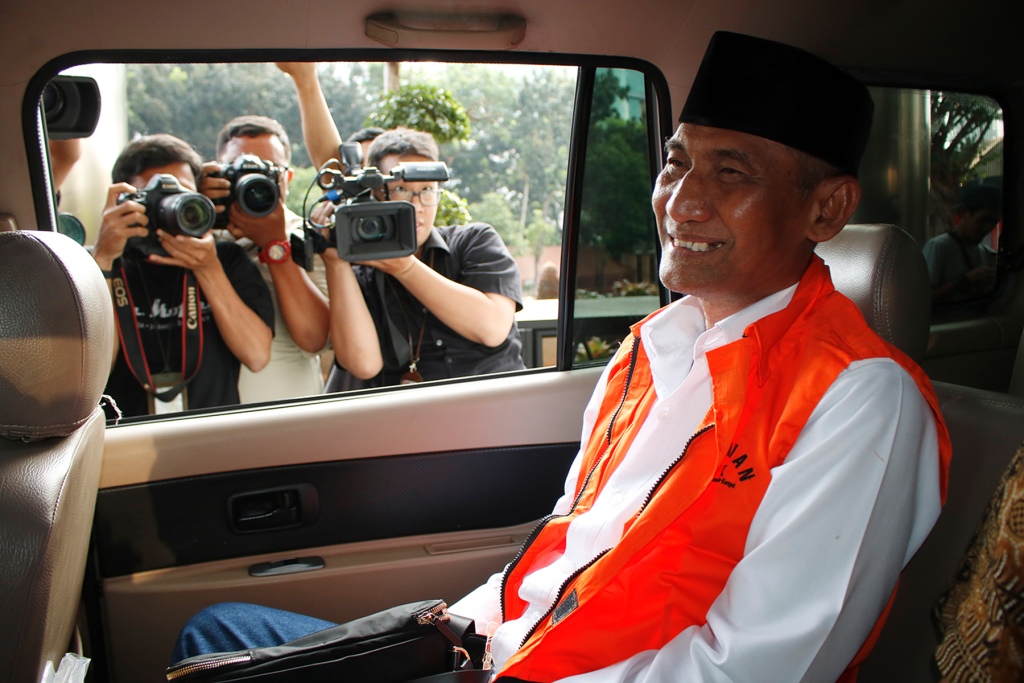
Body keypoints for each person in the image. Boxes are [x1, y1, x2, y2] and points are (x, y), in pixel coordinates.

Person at [171, 32, 951, 682]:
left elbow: (749, 666)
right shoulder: (653, 348)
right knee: (217, 634)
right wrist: (452, 632)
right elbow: (565, 549)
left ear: (828, 208)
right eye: (677, 162)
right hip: (504, 653)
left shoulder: (860, 397)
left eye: (731, 172)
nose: (679, 201)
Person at [322, 127, 526, 386]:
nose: (416, 206)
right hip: (411, 420)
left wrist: (405, 268)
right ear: (374, 196)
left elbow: (492, 327)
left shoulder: (474, 241)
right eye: (400, 190)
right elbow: (362, 364)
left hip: (493, 408)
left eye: (427, 190)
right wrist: (335, 261)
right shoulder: (362, 272)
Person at [93, 133, 274, 418]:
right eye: (155, 199)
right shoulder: (106, 264)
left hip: (213, 435)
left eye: (182, 195)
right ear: (125, 201)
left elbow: (256, 355)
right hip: (125, 439)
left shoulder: (226, 259)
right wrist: (103, 260)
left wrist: (208, 268)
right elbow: (92, 371)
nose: (171, 207)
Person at [201, 115, 331, 402]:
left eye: (268, 169)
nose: (253, 181)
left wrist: (274, 245)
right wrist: (197, 211)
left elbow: (314, 340)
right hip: (205, 420)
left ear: (288, 177)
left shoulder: (310, 237)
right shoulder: (196, 235)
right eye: (238, 168)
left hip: (288, 416)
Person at [923, 183, 1002, 304]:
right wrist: (964, 282)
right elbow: (921, 299)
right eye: (983, 220)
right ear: (964, 212)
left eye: (994, 222)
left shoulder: (986, 253)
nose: (988, 228)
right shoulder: (938, 247)